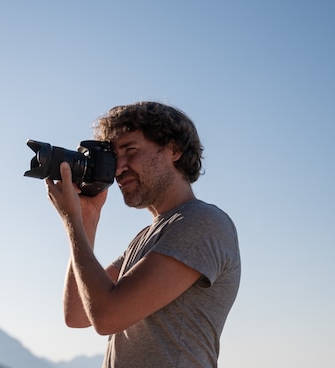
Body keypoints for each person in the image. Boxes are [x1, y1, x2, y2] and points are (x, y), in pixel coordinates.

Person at [44, 101, 240, 368]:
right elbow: (78, 314)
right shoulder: (147, 237)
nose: (118, 168)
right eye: (114, 157)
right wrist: (87, 220)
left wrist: (72, 223)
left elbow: (106, 317)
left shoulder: (202, 222)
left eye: (130, 151)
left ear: (174, 149)